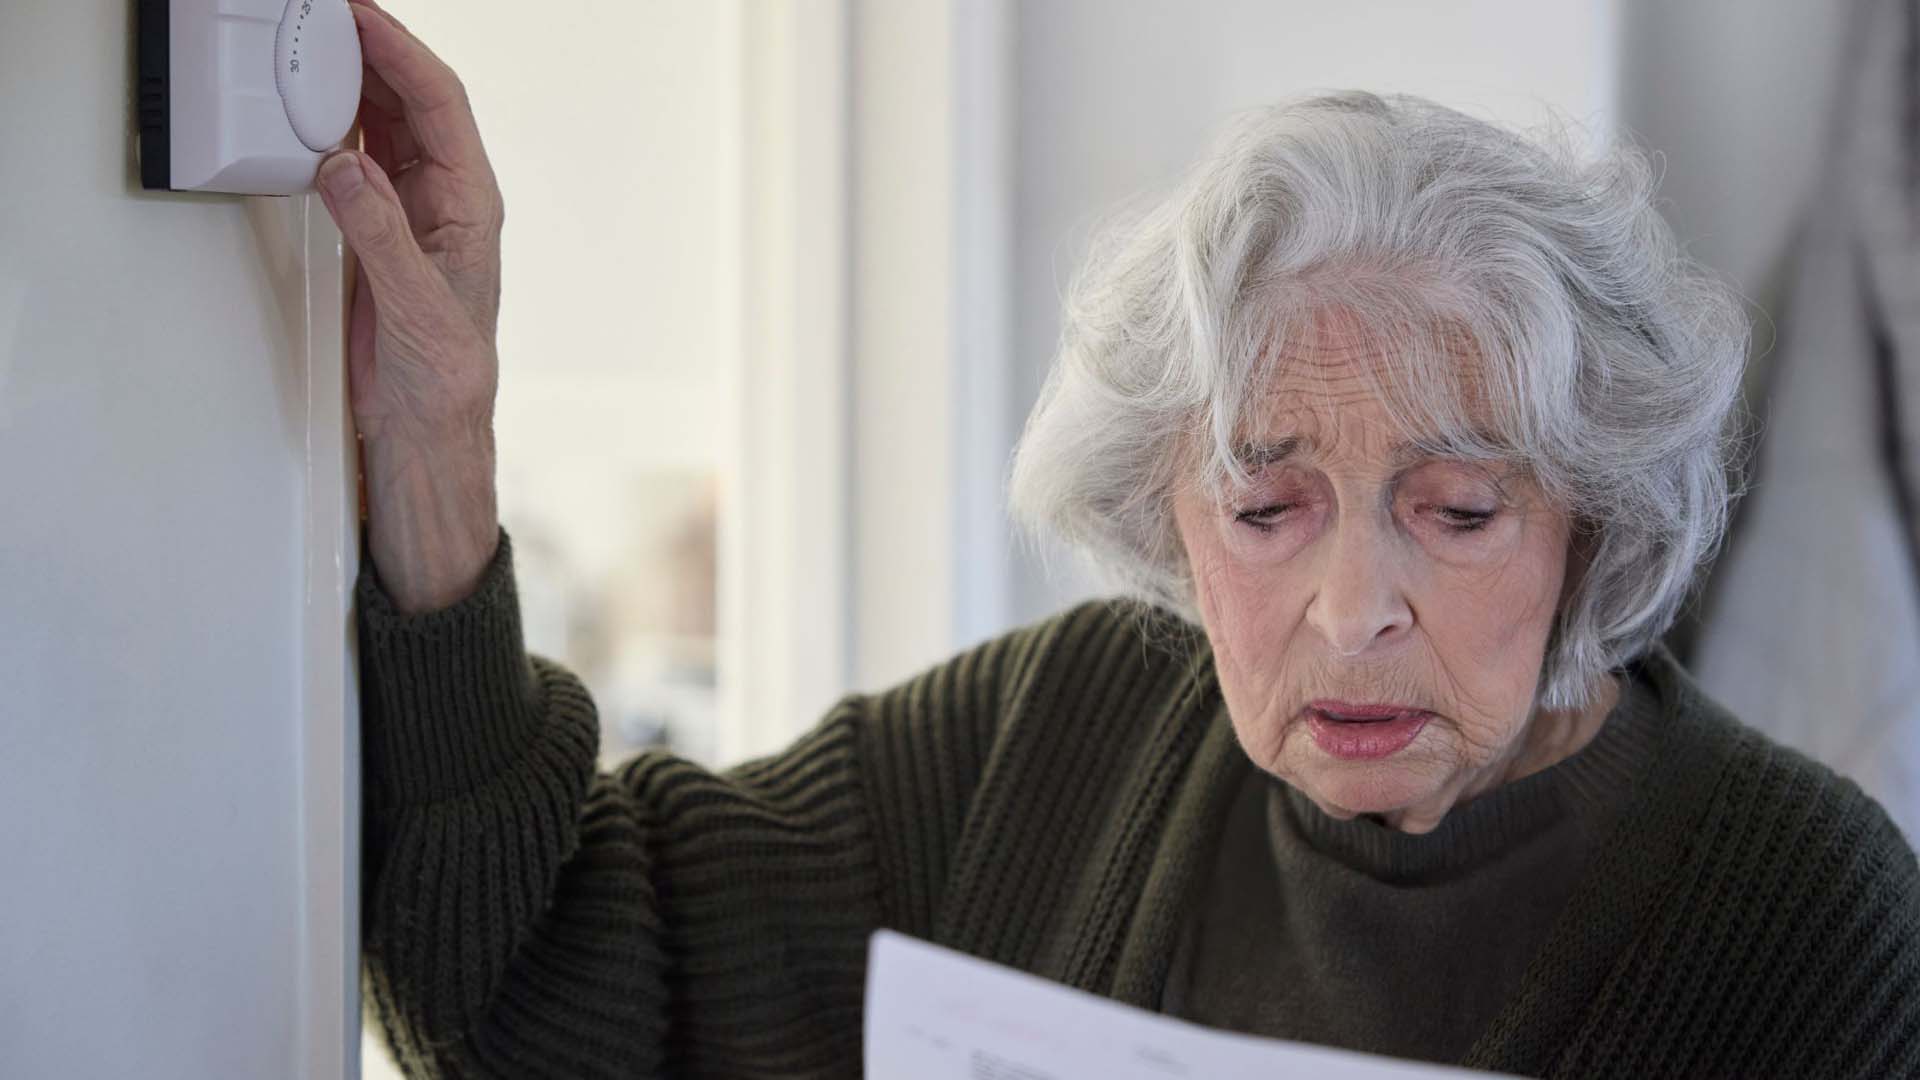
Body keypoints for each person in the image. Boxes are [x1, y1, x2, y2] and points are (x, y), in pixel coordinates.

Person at [325, 3, 1920, 1077]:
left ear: (1594, 514)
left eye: (1458, 509)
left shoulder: (1801, 919)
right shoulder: (1064, 737)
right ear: (1162, 516)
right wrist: (438, 439)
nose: (1353, 607)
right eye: (1262, 507)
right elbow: (532, 982)